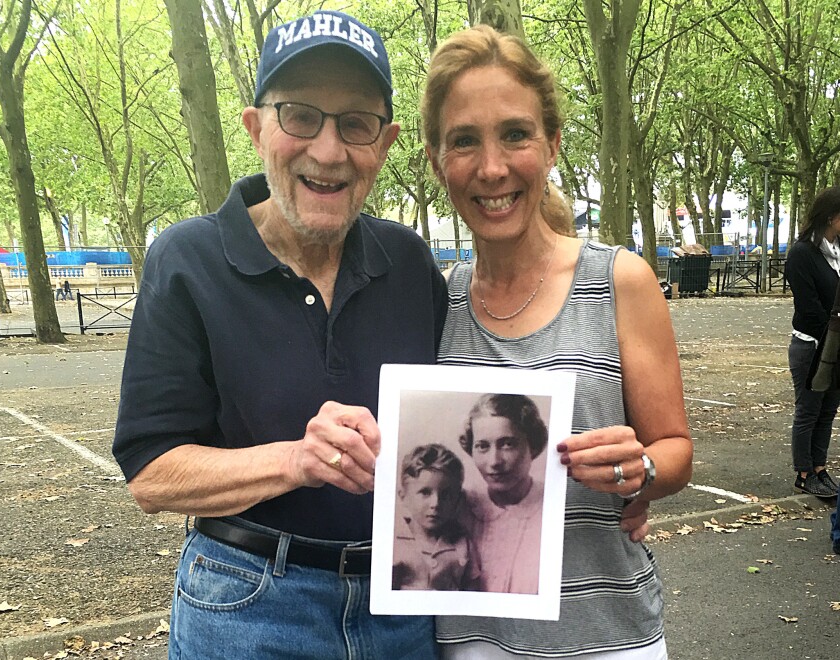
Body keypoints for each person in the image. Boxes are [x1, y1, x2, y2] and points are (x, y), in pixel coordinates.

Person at [112, 10, 447, 659]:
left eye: (356, 122)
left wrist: (598, 492)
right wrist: (297, 460)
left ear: (385, 142)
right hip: (247, 611)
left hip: (405, 608)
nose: (328, 150)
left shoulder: (410, 263)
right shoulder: (187, 261)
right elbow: (151, 475)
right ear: (255, 126)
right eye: (299, 115)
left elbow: (459, 439)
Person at [421, 25, 692, 658]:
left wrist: (639, 471)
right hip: (471, 641)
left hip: (607, 636)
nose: (492, 167)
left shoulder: (618, 280)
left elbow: (675, 451)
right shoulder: (435, 301)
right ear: (438, 162)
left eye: (515, 134)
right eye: (465, 141)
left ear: (551, 145)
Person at [457, 393, 547, 594]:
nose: (495, 461)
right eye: (482, 446)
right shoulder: (458, 508)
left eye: (507, 444)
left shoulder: (553, 504)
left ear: (532, 445)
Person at [785, 186, 840, 498]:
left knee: (829, 408)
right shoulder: (802, 253)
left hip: (837, 342)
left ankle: (820, 466)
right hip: (812, 344)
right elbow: (808, 309)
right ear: (832, 216)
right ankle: (804, 472)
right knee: (809, 408)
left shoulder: (837, 250)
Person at [393, 443, 479, 591]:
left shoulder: (463, 543)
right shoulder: (394, 541)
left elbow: (472, 590)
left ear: (458, 500)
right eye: (425, 492)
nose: (436, 503)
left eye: (446, 495)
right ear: (403, 497)